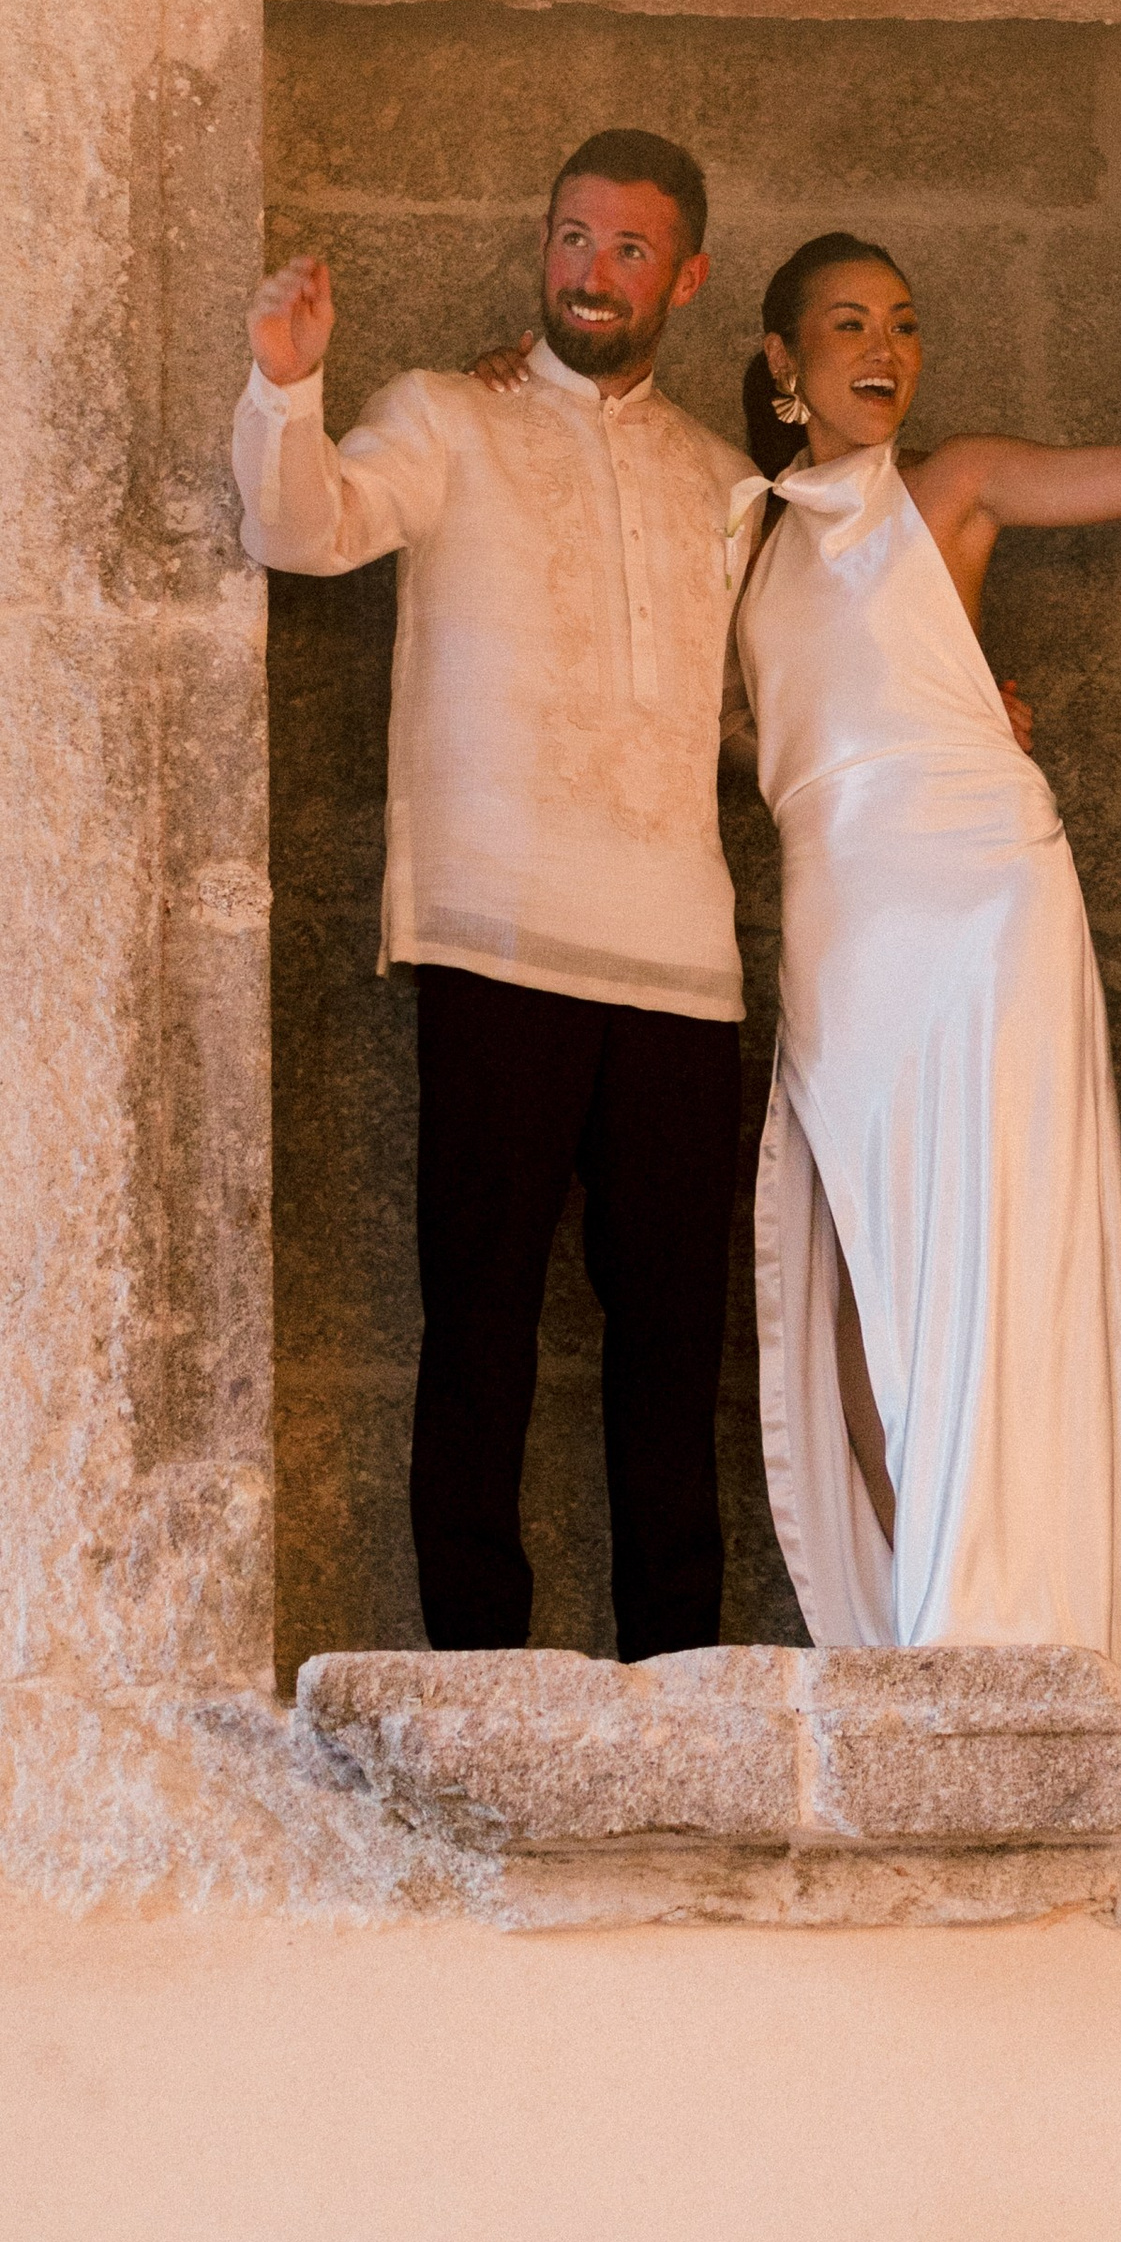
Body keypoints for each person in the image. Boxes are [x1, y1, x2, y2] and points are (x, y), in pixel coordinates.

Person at [730, 147, 1121, 1669]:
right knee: (867, 1269)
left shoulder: (954, 485)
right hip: (845, 927)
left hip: (983, 901)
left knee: (1001, 1238)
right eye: (848, 326)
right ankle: (922, 1607)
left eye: (903, 324)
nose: (884, 352)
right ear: (783, 360)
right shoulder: (738, 546)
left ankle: (1014, 1621)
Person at [232, 129, 755, 1663]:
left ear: (689, 275)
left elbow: (763, 711)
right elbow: (302, 526)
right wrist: (286, 386)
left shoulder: (726, 486)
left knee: (675, 1358)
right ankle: (478, 1677)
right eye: (572, 240)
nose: (592, 274)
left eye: (630, 249)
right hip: (496, 937)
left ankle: (684, 1677)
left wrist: (950, 717)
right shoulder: (443, 415)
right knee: (479, 1335)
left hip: (684, 969)